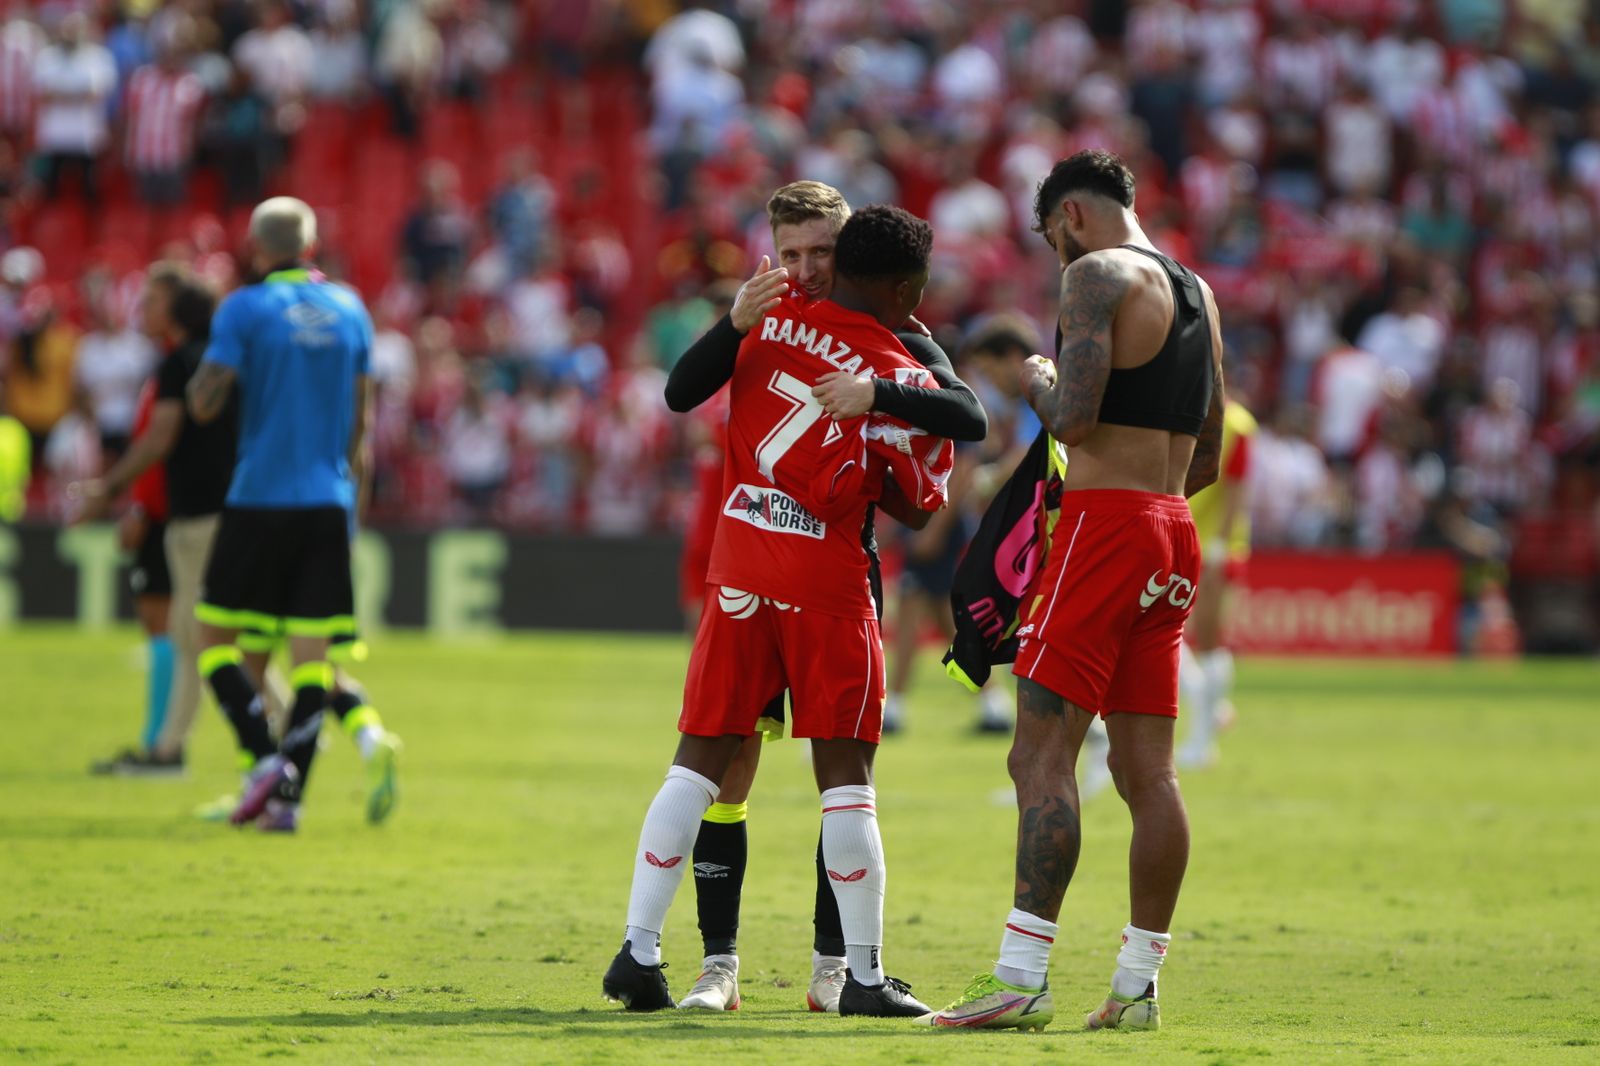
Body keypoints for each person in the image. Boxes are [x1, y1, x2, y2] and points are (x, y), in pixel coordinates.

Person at [603, 205, 950, 1019]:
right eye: (788, 252)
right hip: (821, 580)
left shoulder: (816, 330)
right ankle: (765, 968)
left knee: (710, 762)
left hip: (753, 568)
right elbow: (939, 460)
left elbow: (680, 393)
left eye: (819, 251)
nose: (802, 269)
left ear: (847, 250)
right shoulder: (809, 328)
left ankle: (755, 963)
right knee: (805, 775)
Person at [925, 150, 1224, 1032]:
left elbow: (1074, 419)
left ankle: (1020, 977)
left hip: (1105, 530)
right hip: (1173, 528)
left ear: (1071, 217)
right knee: (1148, 773)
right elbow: (1209, 451)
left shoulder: (1096, 274)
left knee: (1038, 753)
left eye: (1053, 239)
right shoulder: (1200, 293)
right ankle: (1136, 987)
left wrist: (1038, 379)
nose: (1058, 257)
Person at [185, 197, 379, 834]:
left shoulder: (244, 308)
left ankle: (266, 762)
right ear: (312, 246)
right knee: (312, 659)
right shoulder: (351, 309)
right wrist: (351, 506)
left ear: (256, 248)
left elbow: (204, 403)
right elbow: (363, 423)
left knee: (214, 642)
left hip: (259, 497)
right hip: (327, 501)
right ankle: (287, 804)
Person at [1177, 389, 1256, 768]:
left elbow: (1238, 487)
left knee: (1208, 638)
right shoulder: (1184, 410)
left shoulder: (1237, 425)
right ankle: (1210, 707)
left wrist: (1222, 544)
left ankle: (1203, 741)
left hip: (1214, 547)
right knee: (1163, 633)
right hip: (1180, 536)